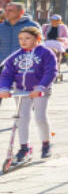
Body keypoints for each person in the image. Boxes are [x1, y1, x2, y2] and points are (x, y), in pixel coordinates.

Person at [0, 25, 57, 162]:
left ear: (37, 39)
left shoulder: (46, 53)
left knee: (39, 117)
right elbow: (7, 73)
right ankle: (24, 148)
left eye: (27, 38)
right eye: (20, 38)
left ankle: (46, 144)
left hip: (40, 90)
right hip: (21, 90)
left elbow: (51, 72)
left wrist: (41, 87)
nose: (23, 41)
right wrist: (4, 88)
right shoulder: (16, 55)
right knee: (21, 119)